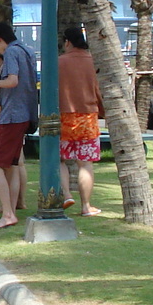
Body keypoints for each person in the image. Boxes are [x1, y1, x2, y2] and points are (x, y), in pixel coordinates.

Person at [0, 21, 36, 231]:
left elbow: (12, 80)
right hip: (25, 114)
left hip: (11, 115)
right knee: (11, 165)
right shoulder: (27, 50)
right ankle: (10, 210)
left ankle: (7, 214)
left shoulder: (12, 52)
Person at [57, 27, 106, 216]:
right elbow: (98, 89)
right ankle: (86, 206)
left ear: (67, 42)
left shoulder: (60, 62)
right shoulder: (92, 60)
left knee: (60, 159)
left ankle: (67, 194)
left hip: (64, 116)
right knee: (85, 163)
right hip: (87, 116)